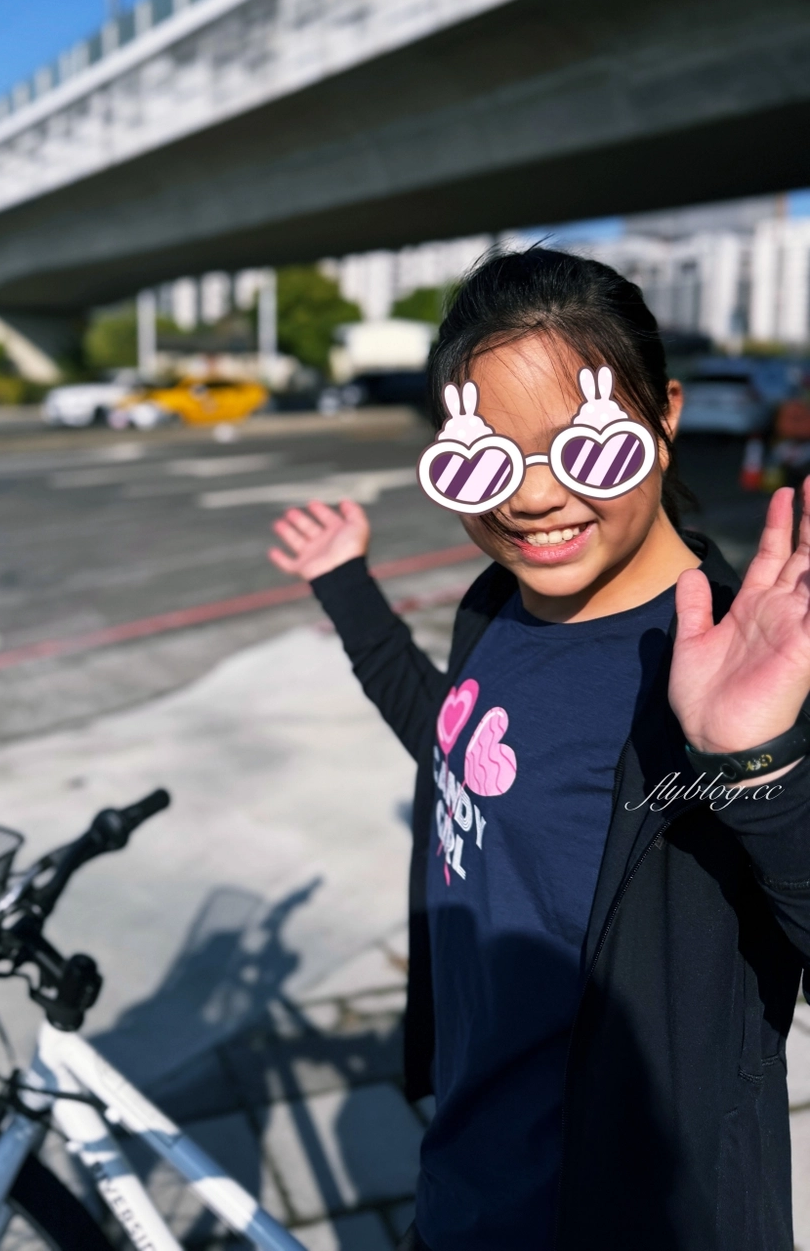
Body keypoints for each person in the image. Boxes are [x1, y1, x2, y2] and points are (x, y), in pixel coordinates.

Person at [267, 248, 810, 1251]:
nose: (528, 500)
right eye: (479, 457)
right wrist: (347, 586)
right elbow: (457, 749)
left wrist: (760, 766)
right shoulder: (504, 605)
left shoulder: (746, 666)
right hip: (469, 1177)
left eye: (583, 447)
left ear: (665, 416)